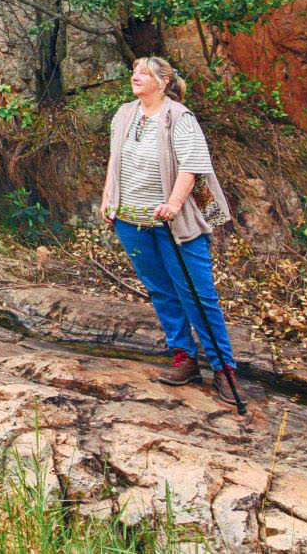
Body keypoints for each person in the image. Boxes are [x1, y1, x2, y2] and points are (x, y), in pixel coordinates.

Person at [101, 56, 241, 403]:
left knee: (197, 293)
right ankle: (185, 358)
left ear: (163, 81)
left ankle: (224, 368)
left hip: (174, 223)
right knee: (161, 290)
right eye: (134, 70)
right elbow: (114, 159)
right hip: (130, 222)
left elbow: (192, 165)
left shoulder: (179, 117)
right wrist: (107, 198)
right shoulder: (123, 114)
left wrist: (175, 204)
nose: (136, 76)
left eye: (144, 72)